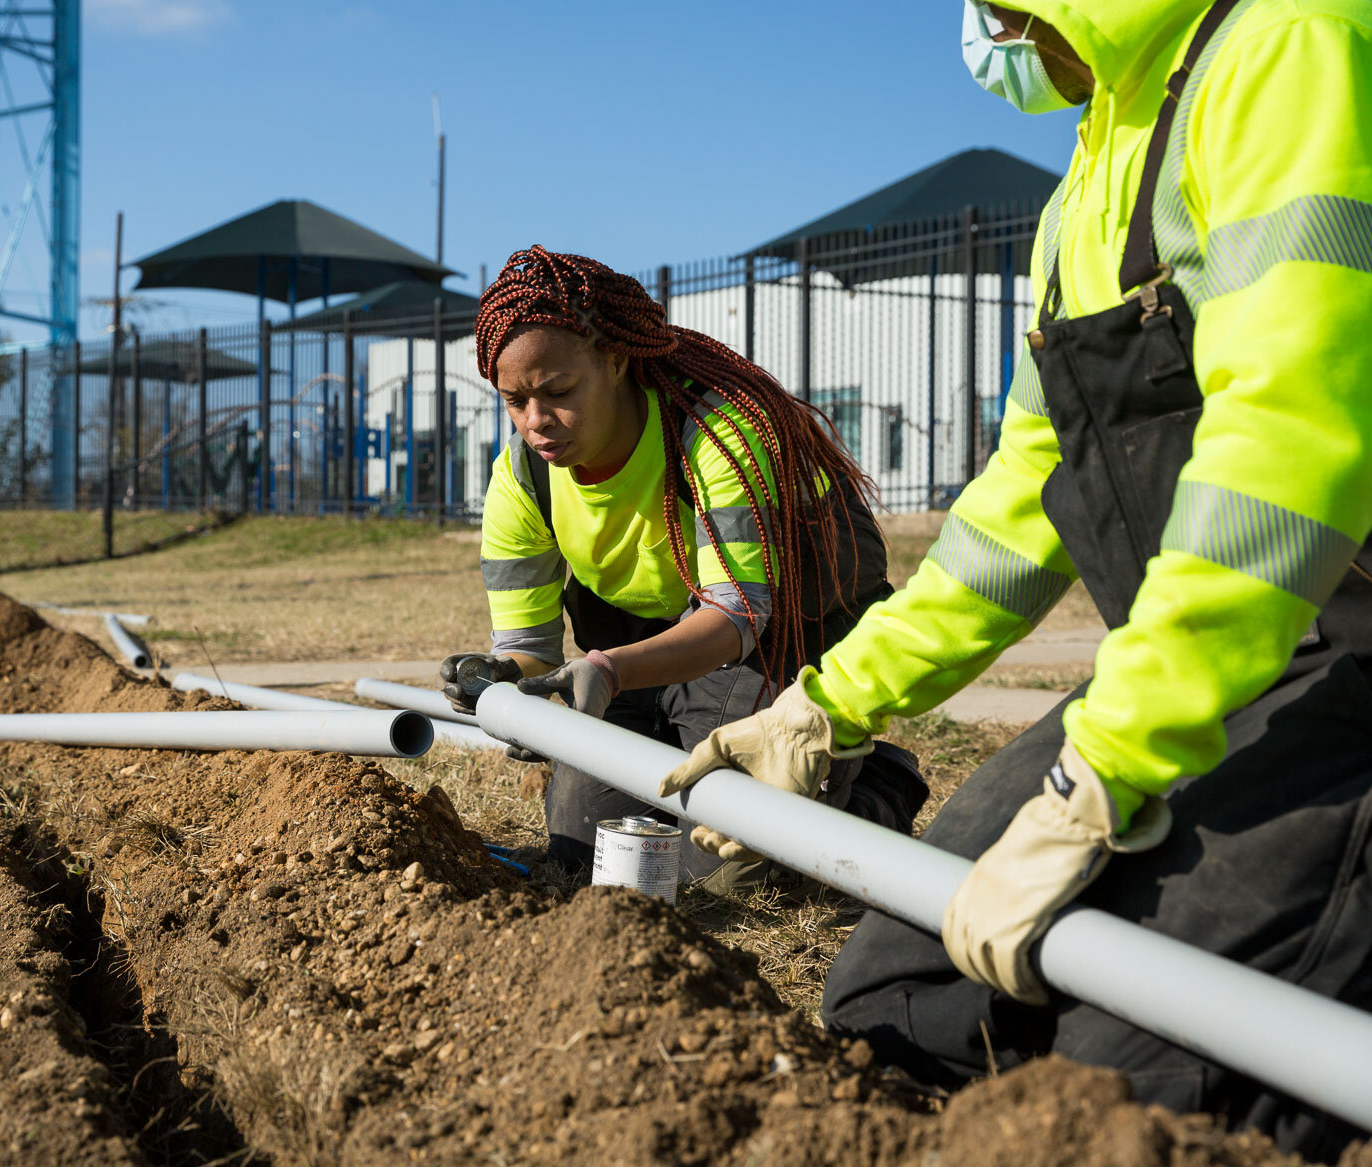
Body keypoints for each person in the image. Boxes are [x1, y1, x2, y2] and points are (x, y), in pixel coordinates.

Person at [660, 0, 1372, 1154]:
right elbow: (1013, 513)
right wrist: (830, 702)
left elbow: (1289, 442)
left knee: (1130, 1095)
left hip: (1349, 670)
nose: (977, 31)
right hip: (1219, 675)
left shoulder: (1289, 51)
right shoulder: (1080, 195)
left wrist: (1109, 768)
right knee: (904, 998)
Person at [443, 246, 928, 892]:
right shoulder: (522, 479)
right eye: (514, 401)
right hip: (640, 653)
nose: (535, 422)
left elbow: (738, 614)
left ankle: (876, 784)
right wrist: (508, 680)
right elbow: (530, 649)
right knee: (581, 855)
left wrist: (611, 669)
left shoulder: (717, 434)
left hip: (766, 639)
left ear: (614, 359)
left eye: (558, 392)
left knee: (730, 875)